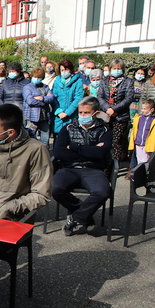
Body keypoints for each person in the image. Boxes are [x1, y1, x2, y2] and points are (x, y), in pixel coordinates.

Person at [53, 96, 113, 236]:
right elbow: (59, 152)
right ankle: (85, 214)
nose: (83, 116)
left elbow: (102, 154)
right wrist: (91, 151)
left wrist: (74, 147)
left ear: (96, 113)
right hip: (69, 168)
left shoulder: (105, 130)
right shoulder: (68, 128)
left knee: (103, 192)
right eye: (80, 112)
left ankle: (75, 217)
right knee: (54, 188)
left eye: (86, 113)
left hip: (94, 169)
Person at [97, 59, 134, 161]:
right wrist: (107, 108)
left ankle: (115, 163)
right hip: (105, 115)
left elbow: (128, 98)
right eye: (114, 68)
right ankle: (104, 161)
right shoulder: (104, 81)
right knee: (104, 139)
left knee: (117, 141)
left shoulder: (128, 81)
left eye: (119, 68)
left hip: (120, 116)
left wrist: (114, 109)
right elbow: (100, 96)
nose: (116, 70)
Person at [51, 60, 85, 135]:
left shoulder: (78, 81)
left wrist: (67, 113)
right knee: (58, 139)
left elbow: (78, 98)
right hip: (59, 116)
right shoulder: (57, 80)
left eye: (66, 69)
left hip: (71, 116)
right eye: (62, 70)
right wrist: (59, 112)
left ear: (71, 69)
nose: (64, 72)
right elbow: (53, 98)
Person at [128, 99, 155, 174]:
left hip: (147, 145)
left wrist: (154, 146)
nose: (142, 110)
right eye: (142, 108)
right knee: (139, 160)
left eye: (145, 108)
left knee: (146, 161)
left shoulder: (154, 120)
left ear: (152, 110)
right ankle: (141, 174)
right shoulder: (139, 118)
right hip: (138, 143)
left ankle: (146, 174)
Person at [23, 67, 54, 146]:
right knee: (30, 139)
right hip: (32, 118)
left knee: (45, 141)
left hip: (44, 117)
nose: (36, 79)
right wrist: (44, 102)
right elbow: (30, 101)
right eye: (35, 77)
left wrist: (42, 98)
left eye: (39, 77)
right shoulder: (27, 87)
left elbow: (51, 98)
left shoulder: (45, 87)